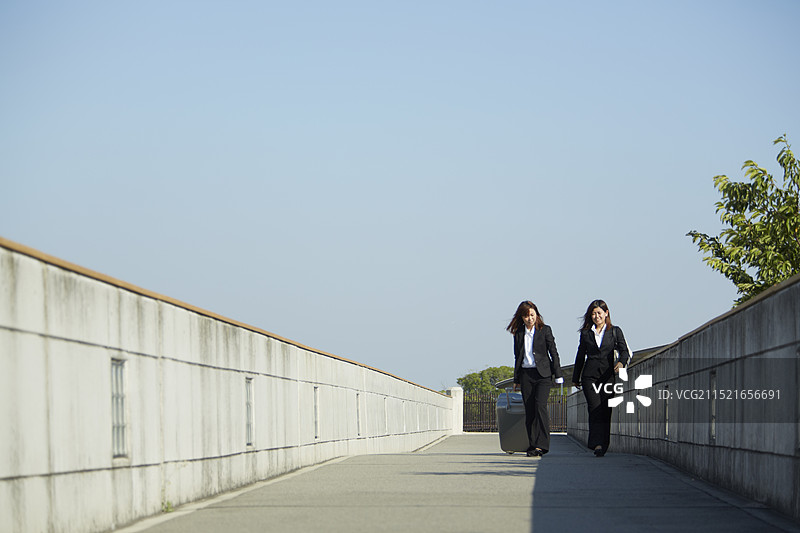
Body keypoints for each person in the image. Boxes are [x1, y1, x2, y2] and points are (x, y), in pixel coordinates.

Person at [571, 299, 632, 457]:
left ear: (606, 313)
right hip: (589, 376)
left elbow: (624, 351)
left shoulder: (615, 331)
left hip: (607, 376)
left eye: (599, 313)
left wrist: (621, 362)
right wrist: (575, 377)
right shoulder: (586, 333)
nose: (596, 316)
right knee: (595, 408)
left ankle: (603, 444)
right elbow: (580, 356)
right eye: (593, 313)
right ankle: (597, 444)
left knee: (605, 410)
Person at [506, 301, 564, 457]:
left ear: (537, 315)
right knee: (530, 409)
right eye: (526, 316)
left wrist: (558, 374)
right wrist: (516, 379)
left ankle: (542, 445)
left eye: (532, 315)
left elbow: (554, 353)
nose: (530, 318)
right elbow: (517, 357)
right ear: (522, 317)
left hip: (543, 375)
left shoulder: (545, 330)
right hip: (526, 375)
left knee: (540, 406)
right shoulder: (518, 333)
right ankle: (533, 445)